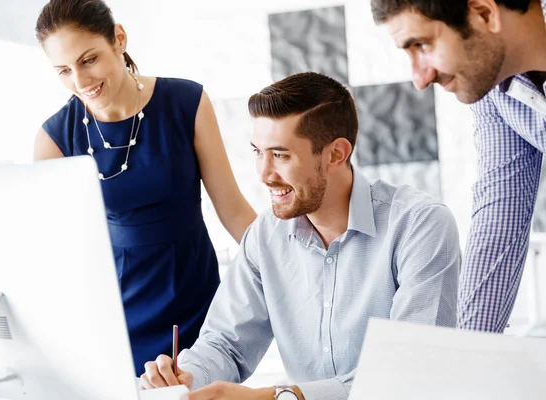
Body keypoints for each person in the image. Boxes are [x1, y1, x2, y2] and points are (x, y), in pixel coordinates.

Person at [140, 72, 461, 400]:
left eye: (280, 155)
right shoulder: (265, 237)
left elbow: (411, 374)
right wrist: (184, 377)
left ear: (336, 154)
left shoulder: (420, 225)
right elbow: (225, 345)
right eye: (257, 152)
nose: (264, 174)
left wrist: (275, 397)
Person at [33, 0, 257, 375]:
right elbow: (63, 255)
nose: (80, 81)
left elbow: (233, 209)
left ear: (119, 38)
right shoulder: (53, 140)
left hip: (195, 297)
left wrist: (291, 265)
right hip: (116, 315)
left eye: (89, 60)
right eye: (64, 71)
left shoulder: (186, 102)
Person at [370, 0, 546, 333]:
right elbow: (500, 213)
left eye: (422, 45)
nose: (420, 79)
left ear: (484, 13)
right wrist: (464, 357)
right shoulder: (495, 87)